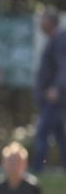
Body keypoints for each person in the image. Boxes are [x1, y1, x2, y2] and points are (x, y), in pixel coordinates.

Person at [31, 10, 66, 173]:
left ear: (51, 22)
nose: (40, 23)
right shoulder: (53, 40)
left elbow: (64, 66)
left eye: (43, 19)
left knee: (42, 131)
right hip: (51, 97)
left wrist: (56, 89)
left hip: (55, 97)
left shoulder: (60, 39)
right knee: (59, 134)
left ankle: (37, 169)